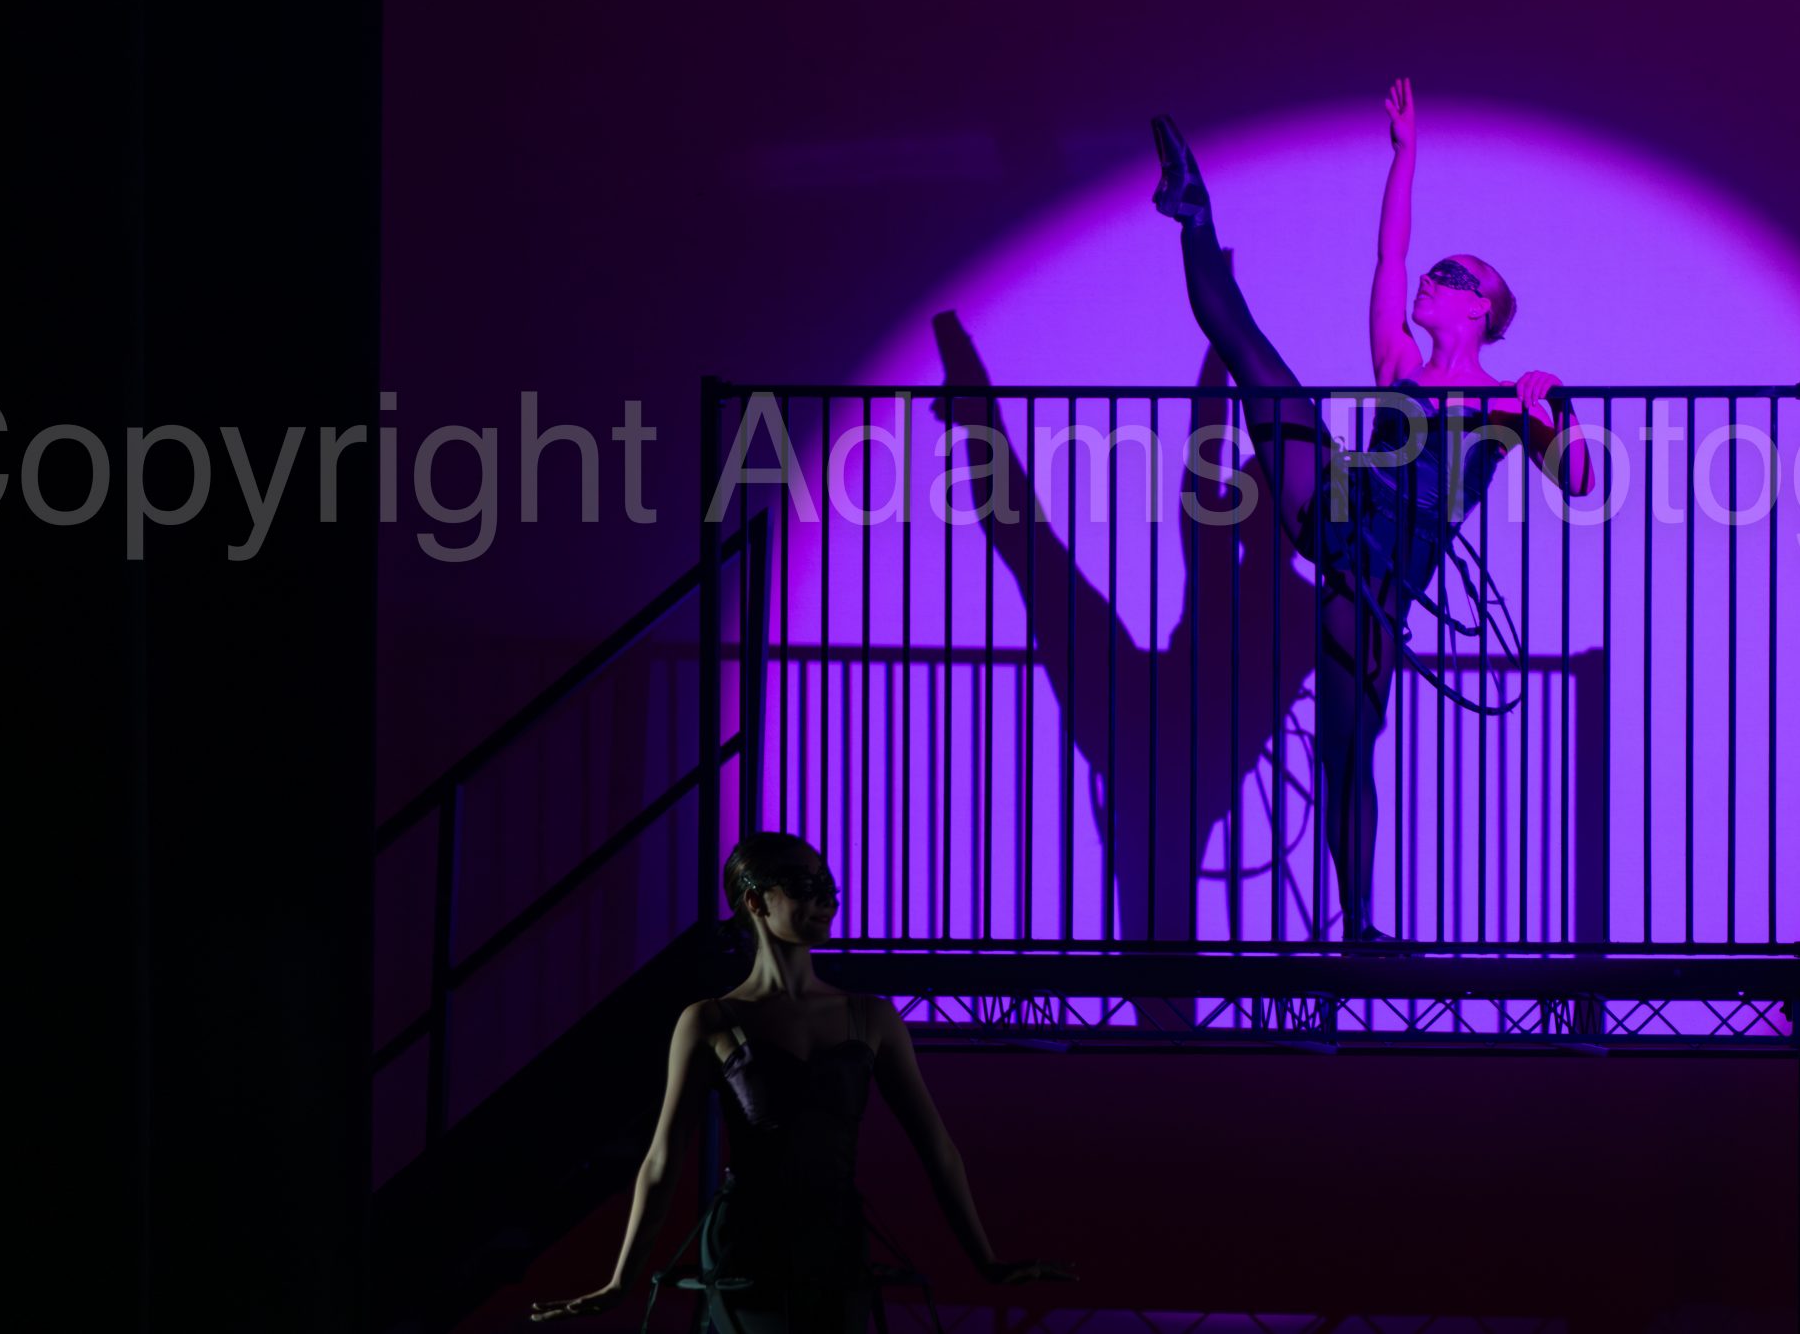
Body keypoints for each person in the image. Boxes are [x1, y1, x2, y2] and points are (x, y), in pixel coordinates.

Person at [1151, 78, 1593, 941]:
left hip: (1382, 575)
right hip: (1338, 500)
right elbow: (1390, 256)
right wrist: (1406, 155)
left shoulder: (1507, 402)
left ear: (1481, 307)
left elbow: (1579, 480)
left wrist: (1560, 405)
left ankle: (1358, 924)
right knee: (1252, 355)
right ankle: (1193, 213)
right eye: (1435, 271)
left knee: (1347, 748)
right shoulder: (1397, 364)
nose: (1430, 279)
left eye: (1450, 277)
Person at [529, 832, 1074, 1331]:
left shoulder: (873, 1017)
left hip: (837, 1237)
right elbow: (662, 1159)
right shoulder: (709, 1020)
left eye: (826, 885)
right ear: (755, 901)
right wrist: (620, 1281)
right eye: (802, 885)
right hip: (746, 1242)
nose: (824, 900)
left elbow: (937, 1148)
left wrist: (987, 1261)